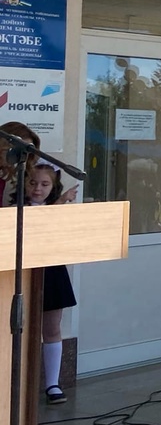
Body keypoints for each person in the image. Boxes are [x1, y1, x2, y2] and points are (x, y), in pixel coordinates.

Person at [25, 162, 77, 405]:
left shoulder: (58, 210)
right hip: (23, 272)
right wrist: (62, 201)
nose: (38, 189)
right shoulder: (17, 208)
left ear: (53, 186)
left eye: (45, 184)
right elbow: (37, 223)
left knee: (52, 328)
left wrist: (63, 203)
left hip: (52, 271)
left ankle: (52, 384)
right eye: (33, 183)